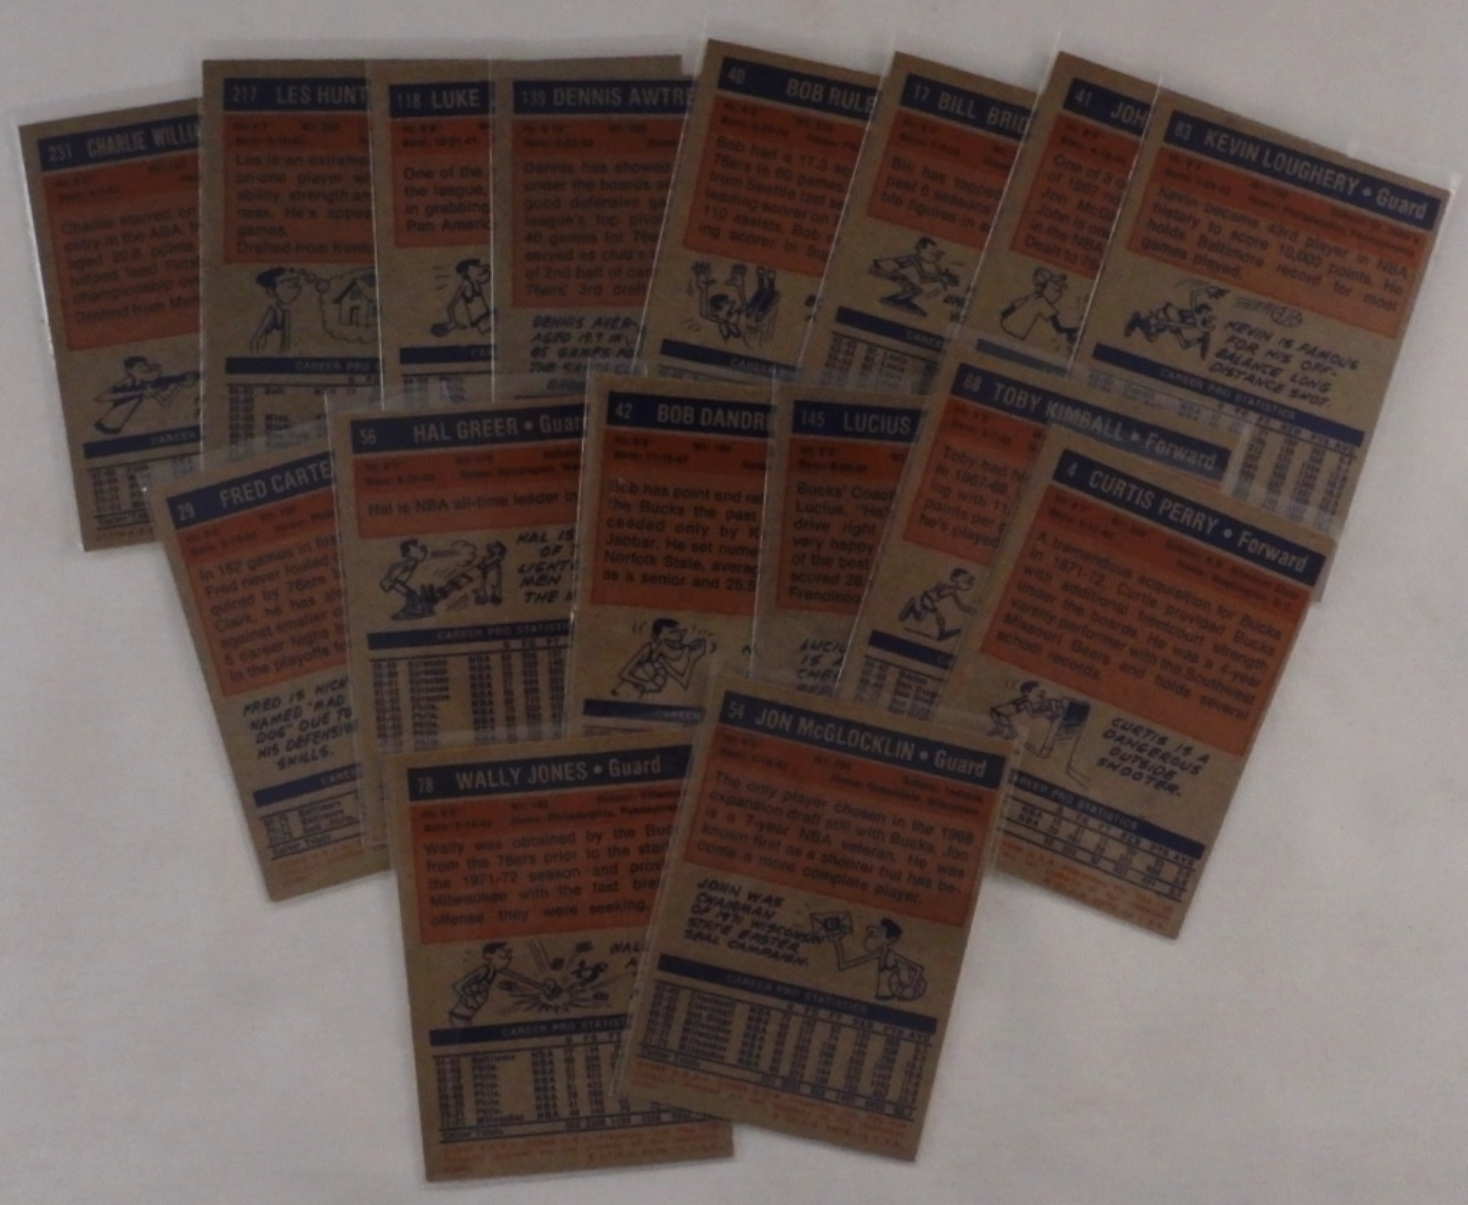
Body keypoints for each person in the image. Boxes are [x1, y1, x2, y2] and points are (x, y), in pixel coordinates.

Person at [92, 356, 198, 435]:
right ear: (129, 371)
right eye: (139, 366)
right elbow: (101, 398)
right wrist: (140, 392)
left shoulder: (147, 384)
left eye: (145, 365)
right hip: (103, 426)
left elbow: (165, 402)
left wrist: (179, 385)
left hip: (117, 429)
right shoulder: (128, 381)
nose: (144, 368)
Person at [612, 618, 710, 698]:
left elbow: (683, 681)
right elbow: (624, 673)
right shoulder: (648, 649)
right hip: (621, 696)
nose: (678, 636)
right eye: (672, 633)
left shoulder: (659, 659)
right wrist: (645, 683)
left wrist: (692, 660)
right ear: (658, 638)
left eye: (678, 632)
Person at [431, 258, 492, 337]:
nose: (477, 268)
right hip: (481, 321)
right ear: (466, 272)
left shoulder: (475, 280)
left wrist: (486, 269)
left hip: (486, 316)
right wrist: (455, 323)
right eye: (474, 267)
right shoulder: (465, 284)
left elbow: (486, 277)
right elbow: (450, 307)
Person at [250, 267, 304, 353]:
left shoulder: (289, 312)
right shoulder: (274, 311)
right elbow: (255, 341)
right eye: (288, 284)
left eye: (295, 284)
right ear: (272, 290)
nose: (293, 288)